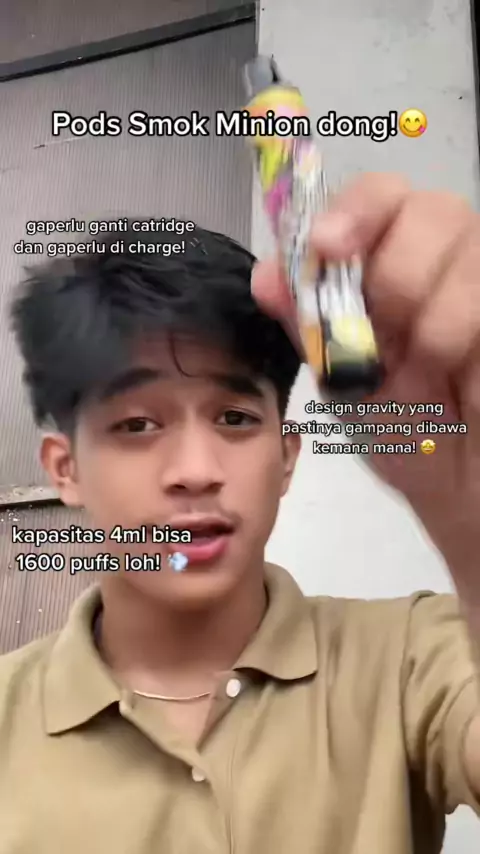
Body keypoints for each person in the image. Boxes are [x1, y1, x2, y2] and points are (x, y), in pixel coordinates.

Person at [1, 173, 479, 854]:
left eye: (234, 418)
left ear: (286, 457)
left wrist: (469, 517)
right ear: (64, 468)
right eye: (137, 425)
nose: (196, 470)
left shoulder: (413, 658)